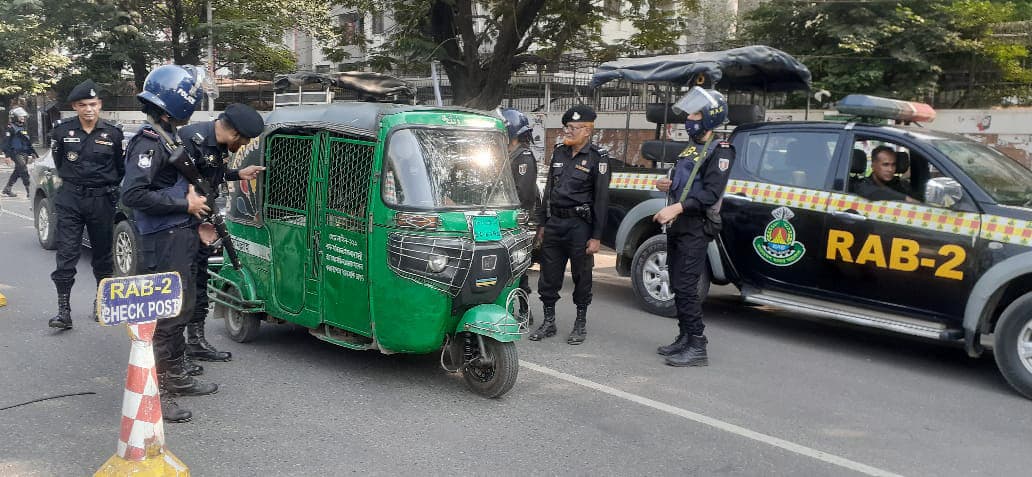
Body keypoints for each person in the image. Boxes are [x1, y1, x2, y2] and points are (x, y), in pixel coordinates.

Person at [121, 64, 219, 423]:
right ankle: (157, 391)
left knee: (181, 307)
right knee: (165, 314)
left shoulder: (167, 136)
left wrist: (194, 215)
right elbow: (133, 194)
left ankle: (176, 377)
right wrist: (185, 205)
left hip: (180, 234)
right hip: (163, 239)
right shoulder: (149, 141)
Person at [653, 87, 735, 367]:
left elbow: (710, 194)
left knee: (687, 287)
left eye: (696, 113)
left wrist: (676, 207)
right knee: (677, 283)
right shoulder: (691, 146)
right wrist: (668, 184)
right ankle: (684, 338)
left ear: (711, 117)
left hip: (695, 225)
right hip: (679, 224)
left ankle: (698, 345)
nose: (689, 117)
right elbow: (685, 182)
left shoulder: (721, 150)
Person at [177, 103, 265, 365]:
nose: (245, 145)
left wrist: (238, 174)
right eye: (246, 140)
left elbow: (209, 175)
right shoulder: (190, 139)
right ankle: (174, 351)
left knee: (200, 281)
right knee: (182, 286)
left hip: (203, 219)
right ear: (236, 134)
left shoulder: (216, 145)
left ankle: (196, 342)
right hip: (181, 223)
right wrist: (192, 217)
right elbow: (176, 184)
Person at [45, 81, 125, 330]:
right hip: (70, 199)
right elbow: (59, 163)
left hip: (102, 200)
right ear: (75, 107)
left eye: (92, 104)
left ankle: (101, 305)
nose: (88, 109)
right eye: (82, 105)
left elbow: (119, 168)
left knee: (102, 257)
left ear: (100, 105)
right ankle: (63, 311)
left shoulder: (113, 133)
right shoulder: (61, 132)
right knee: (67, 255)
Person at [528, 104, 610, 345]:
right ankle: (549, 322)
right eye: (567, 127)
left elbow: (602, 199)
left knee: (582, 276)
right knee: (548, 276)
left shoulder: (598, 158)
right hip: (555, 223)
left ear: (587, 131)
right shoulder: (559, 153)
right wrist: (542, 223)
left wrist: (596, 236)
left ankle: (580, 324)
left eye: (574, 128)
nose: (568, 131)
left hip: (580, 226)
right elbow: (549, 191)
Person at [500, 107, 540, 322]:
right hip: (502, 220)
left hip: (517, 222)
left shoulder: (523, 156)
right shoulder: (505, 154)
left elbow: (523, 194)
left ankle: (524, 311)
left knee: (519, 267)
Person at [2, 107, 35, 198]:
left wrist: (31, 153)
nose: (23, 118)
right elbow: (6, 142)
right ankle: (29, 190)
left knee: (18, 171)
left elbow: (26, 141)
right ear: (15, 117)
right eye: (21, 117)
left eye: (23, 117)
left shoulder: (22, 127)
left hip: (23, 153)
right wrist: (7, 156)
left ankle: (7, 189)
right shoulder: (11, 128)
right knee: (24, 170)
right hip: (15, 153)